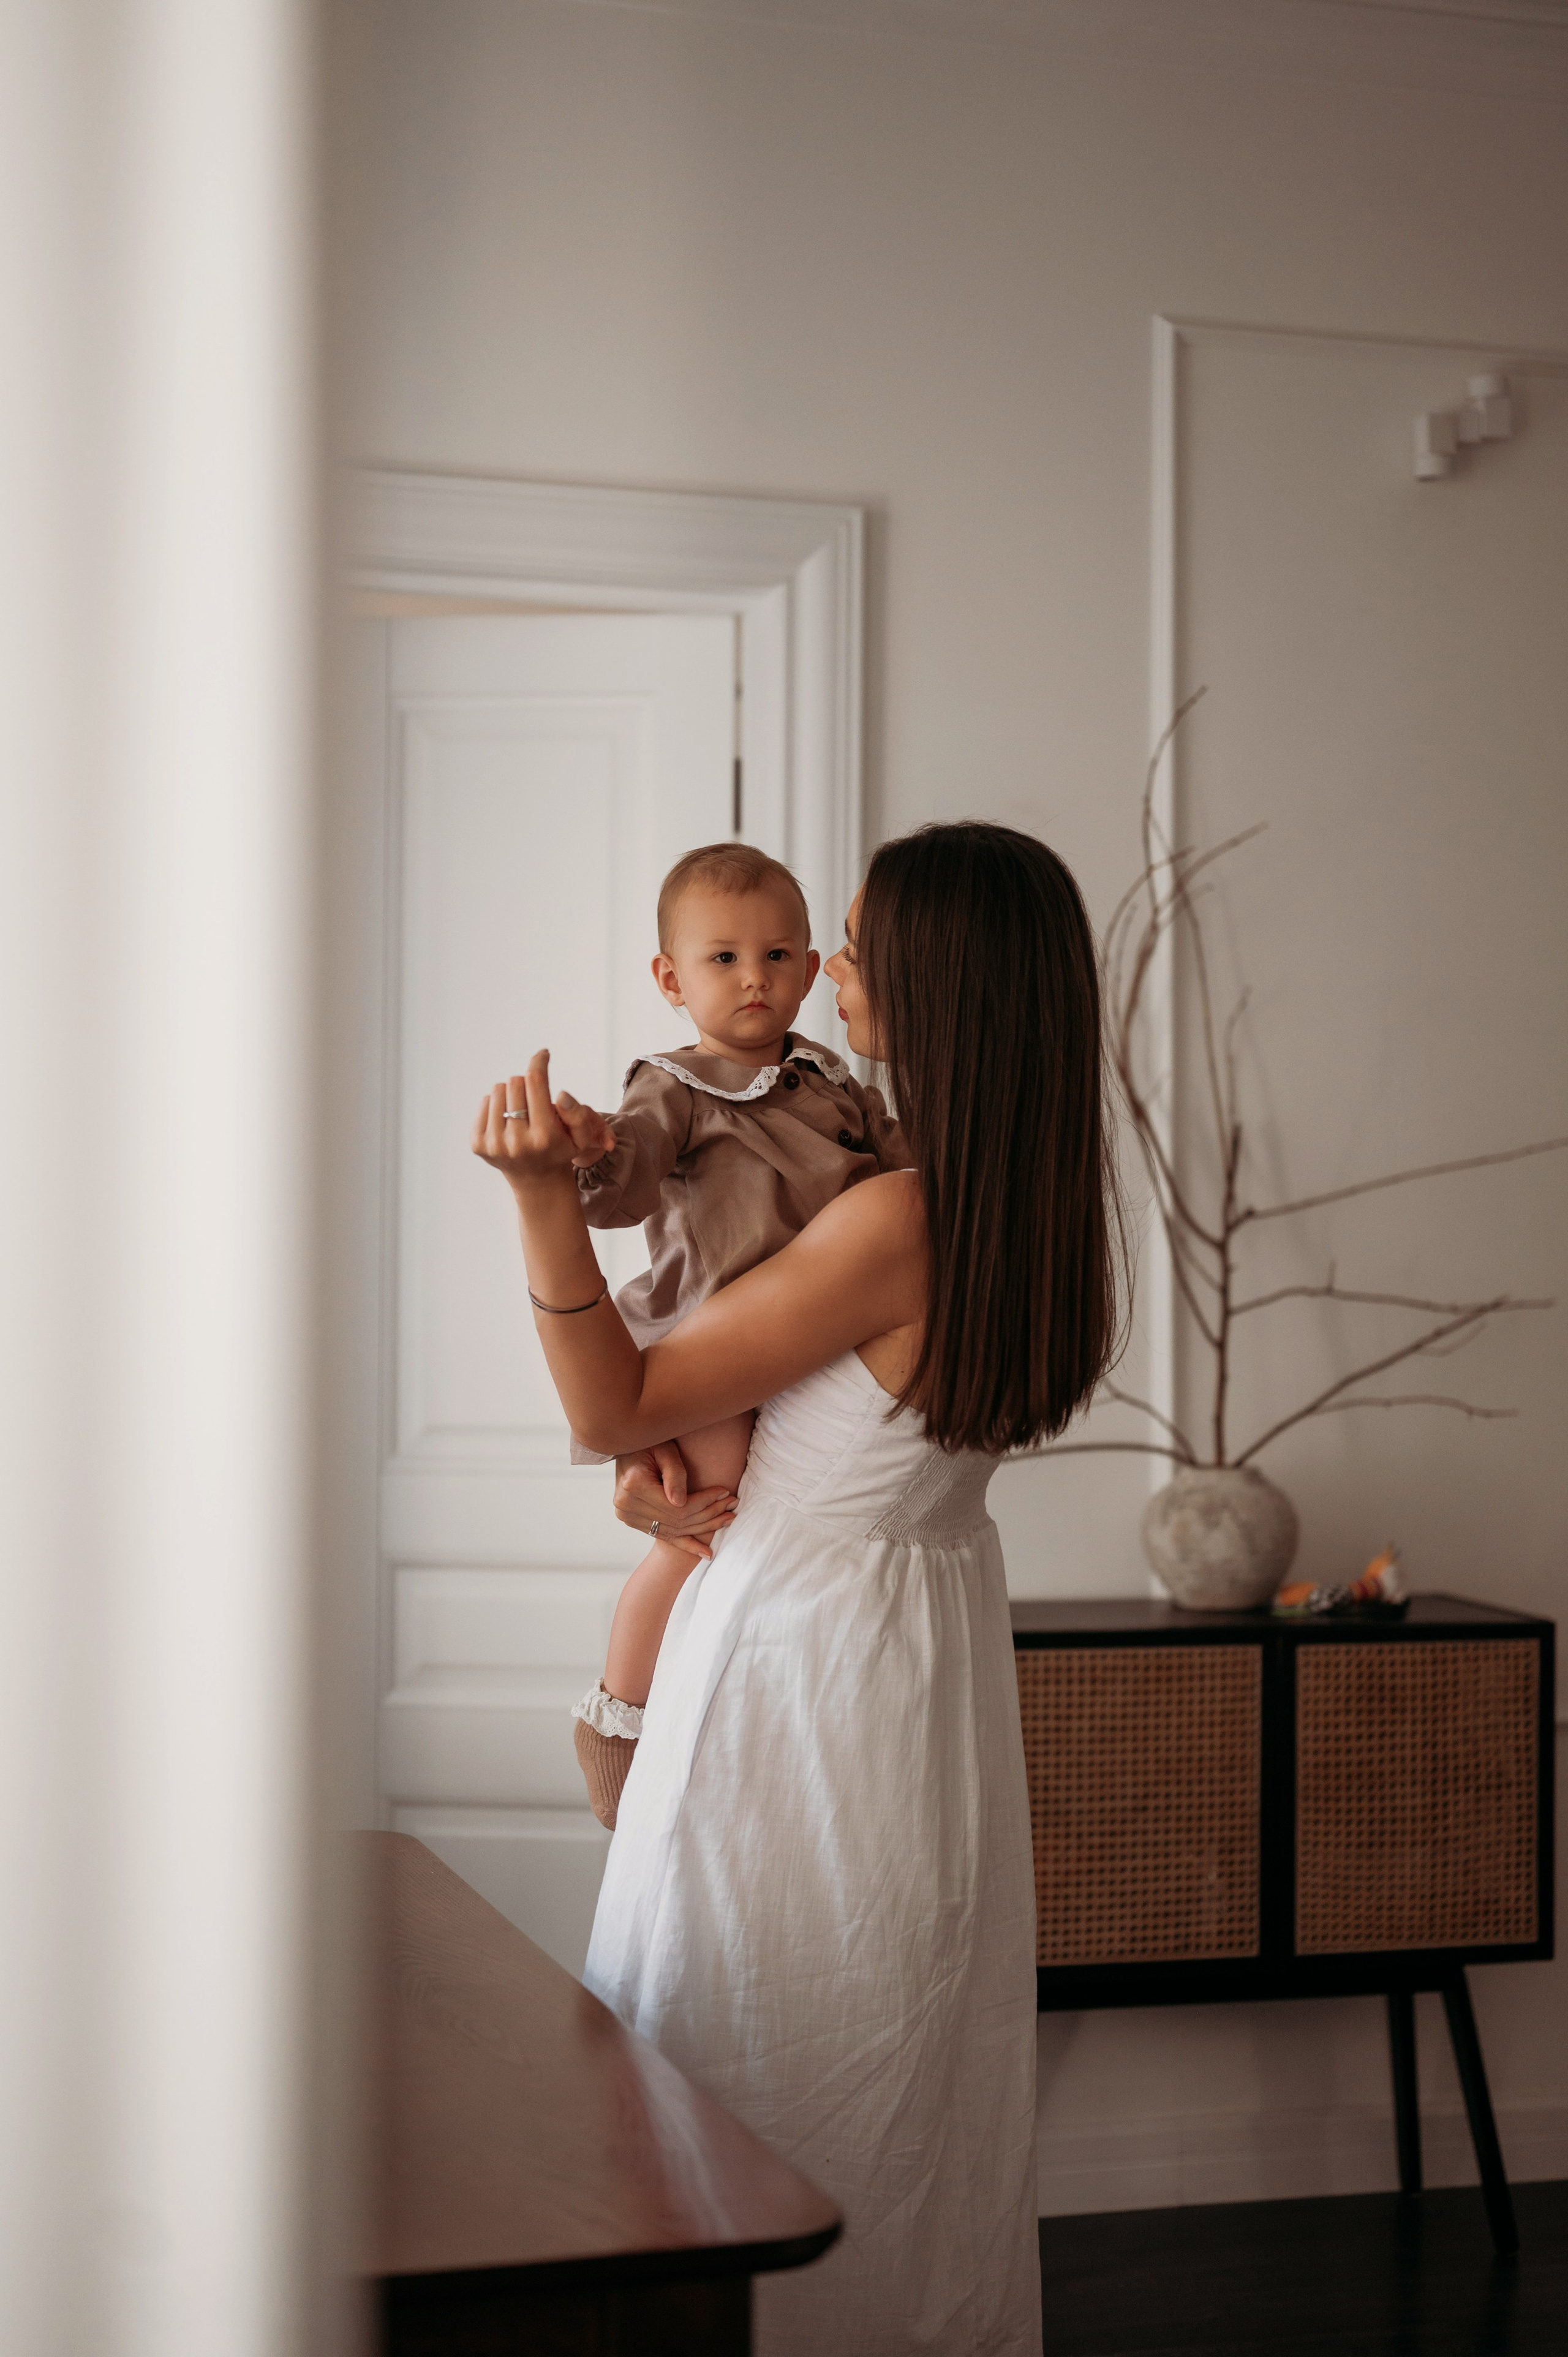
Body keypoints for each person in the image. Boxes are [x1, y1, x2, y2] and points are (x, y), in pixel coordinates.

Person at [472, 821, 1123, 2357]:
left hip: (797, 1687)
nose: (825, 969)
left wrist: (535, 1198)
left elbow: (610, 1408)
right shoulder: (1026, 1204)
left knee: (746, 2065)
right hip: (914, 1675)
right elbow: (849, 1451)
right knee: (895, 2077)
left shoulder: (890, 1218)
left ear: (930, 983)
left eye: (848, 942)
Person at [557, 842, 908, 1828]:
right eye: (723, 960)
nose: (757, 979)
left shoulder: (830, 1078)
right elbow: (624, 1191)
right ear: (670, 979)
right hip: (719, 1336)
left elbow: (898, 1165)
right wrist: (591, 1155)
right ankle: (620, 1719)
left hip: (818, 1334)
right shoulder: (671, 1086)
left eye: (782, 956)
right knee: (698, 1533)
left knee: (750, 1537)